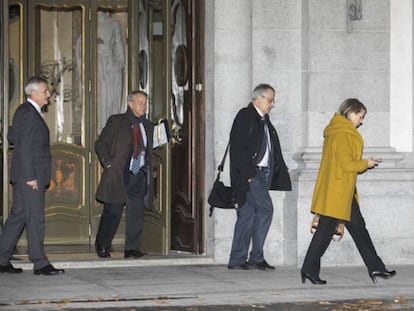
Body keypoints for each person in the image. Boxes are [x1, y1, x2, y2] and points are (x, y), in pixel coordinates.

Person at [301, 98, 396, 285]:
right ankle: (309, 269)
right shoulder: (344, 134)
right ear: (351, 113)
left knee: (358, 229)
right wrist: (366, 163)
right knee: (326, 233)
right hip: (339, 194)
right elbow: (347, 164)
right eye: (360, 116)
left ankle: (375, 266)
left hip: (341, 192)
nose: (361, 121)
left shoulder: (336, 131)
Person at [0, 76, 64, 275]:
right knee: (35, 218)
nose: (48, 94)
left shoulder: (24, 111)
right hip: (29, 177)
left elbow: (13, 137)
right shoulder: (29, 114)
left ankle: (1, 259)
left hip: (25, 176)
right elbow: (26, 147)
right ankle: (40, 263)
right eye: (45, 91)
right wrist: (30, 177)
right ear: (33, 93)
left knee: (18, 217)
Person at [227, 83, 292, 270]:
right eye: (270, 100)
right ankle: (255, 256)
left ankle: (238, 259)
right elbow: (238, 148)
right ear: (259, 98)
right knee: (266, 209)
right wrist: (248, 176)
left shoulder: (265, 120)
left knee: (247, 213)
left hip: (263, 173)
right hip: (251, 175)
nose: (272, 104)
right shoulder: (245, 116)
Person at [94, 90, 153, 259]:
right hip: (120, 174)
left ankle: (132, 248)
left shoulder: (147, 125)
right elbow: (101, 143)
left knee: (136, 212)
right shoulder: (117, 121)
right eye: (140, 102)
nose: (143, 106)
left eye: (145, 103)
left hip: (139, 174)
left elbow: (147, 148)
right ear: (130, 103)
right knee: (113, 211)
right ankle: (102, 244)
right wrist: (109, 163)